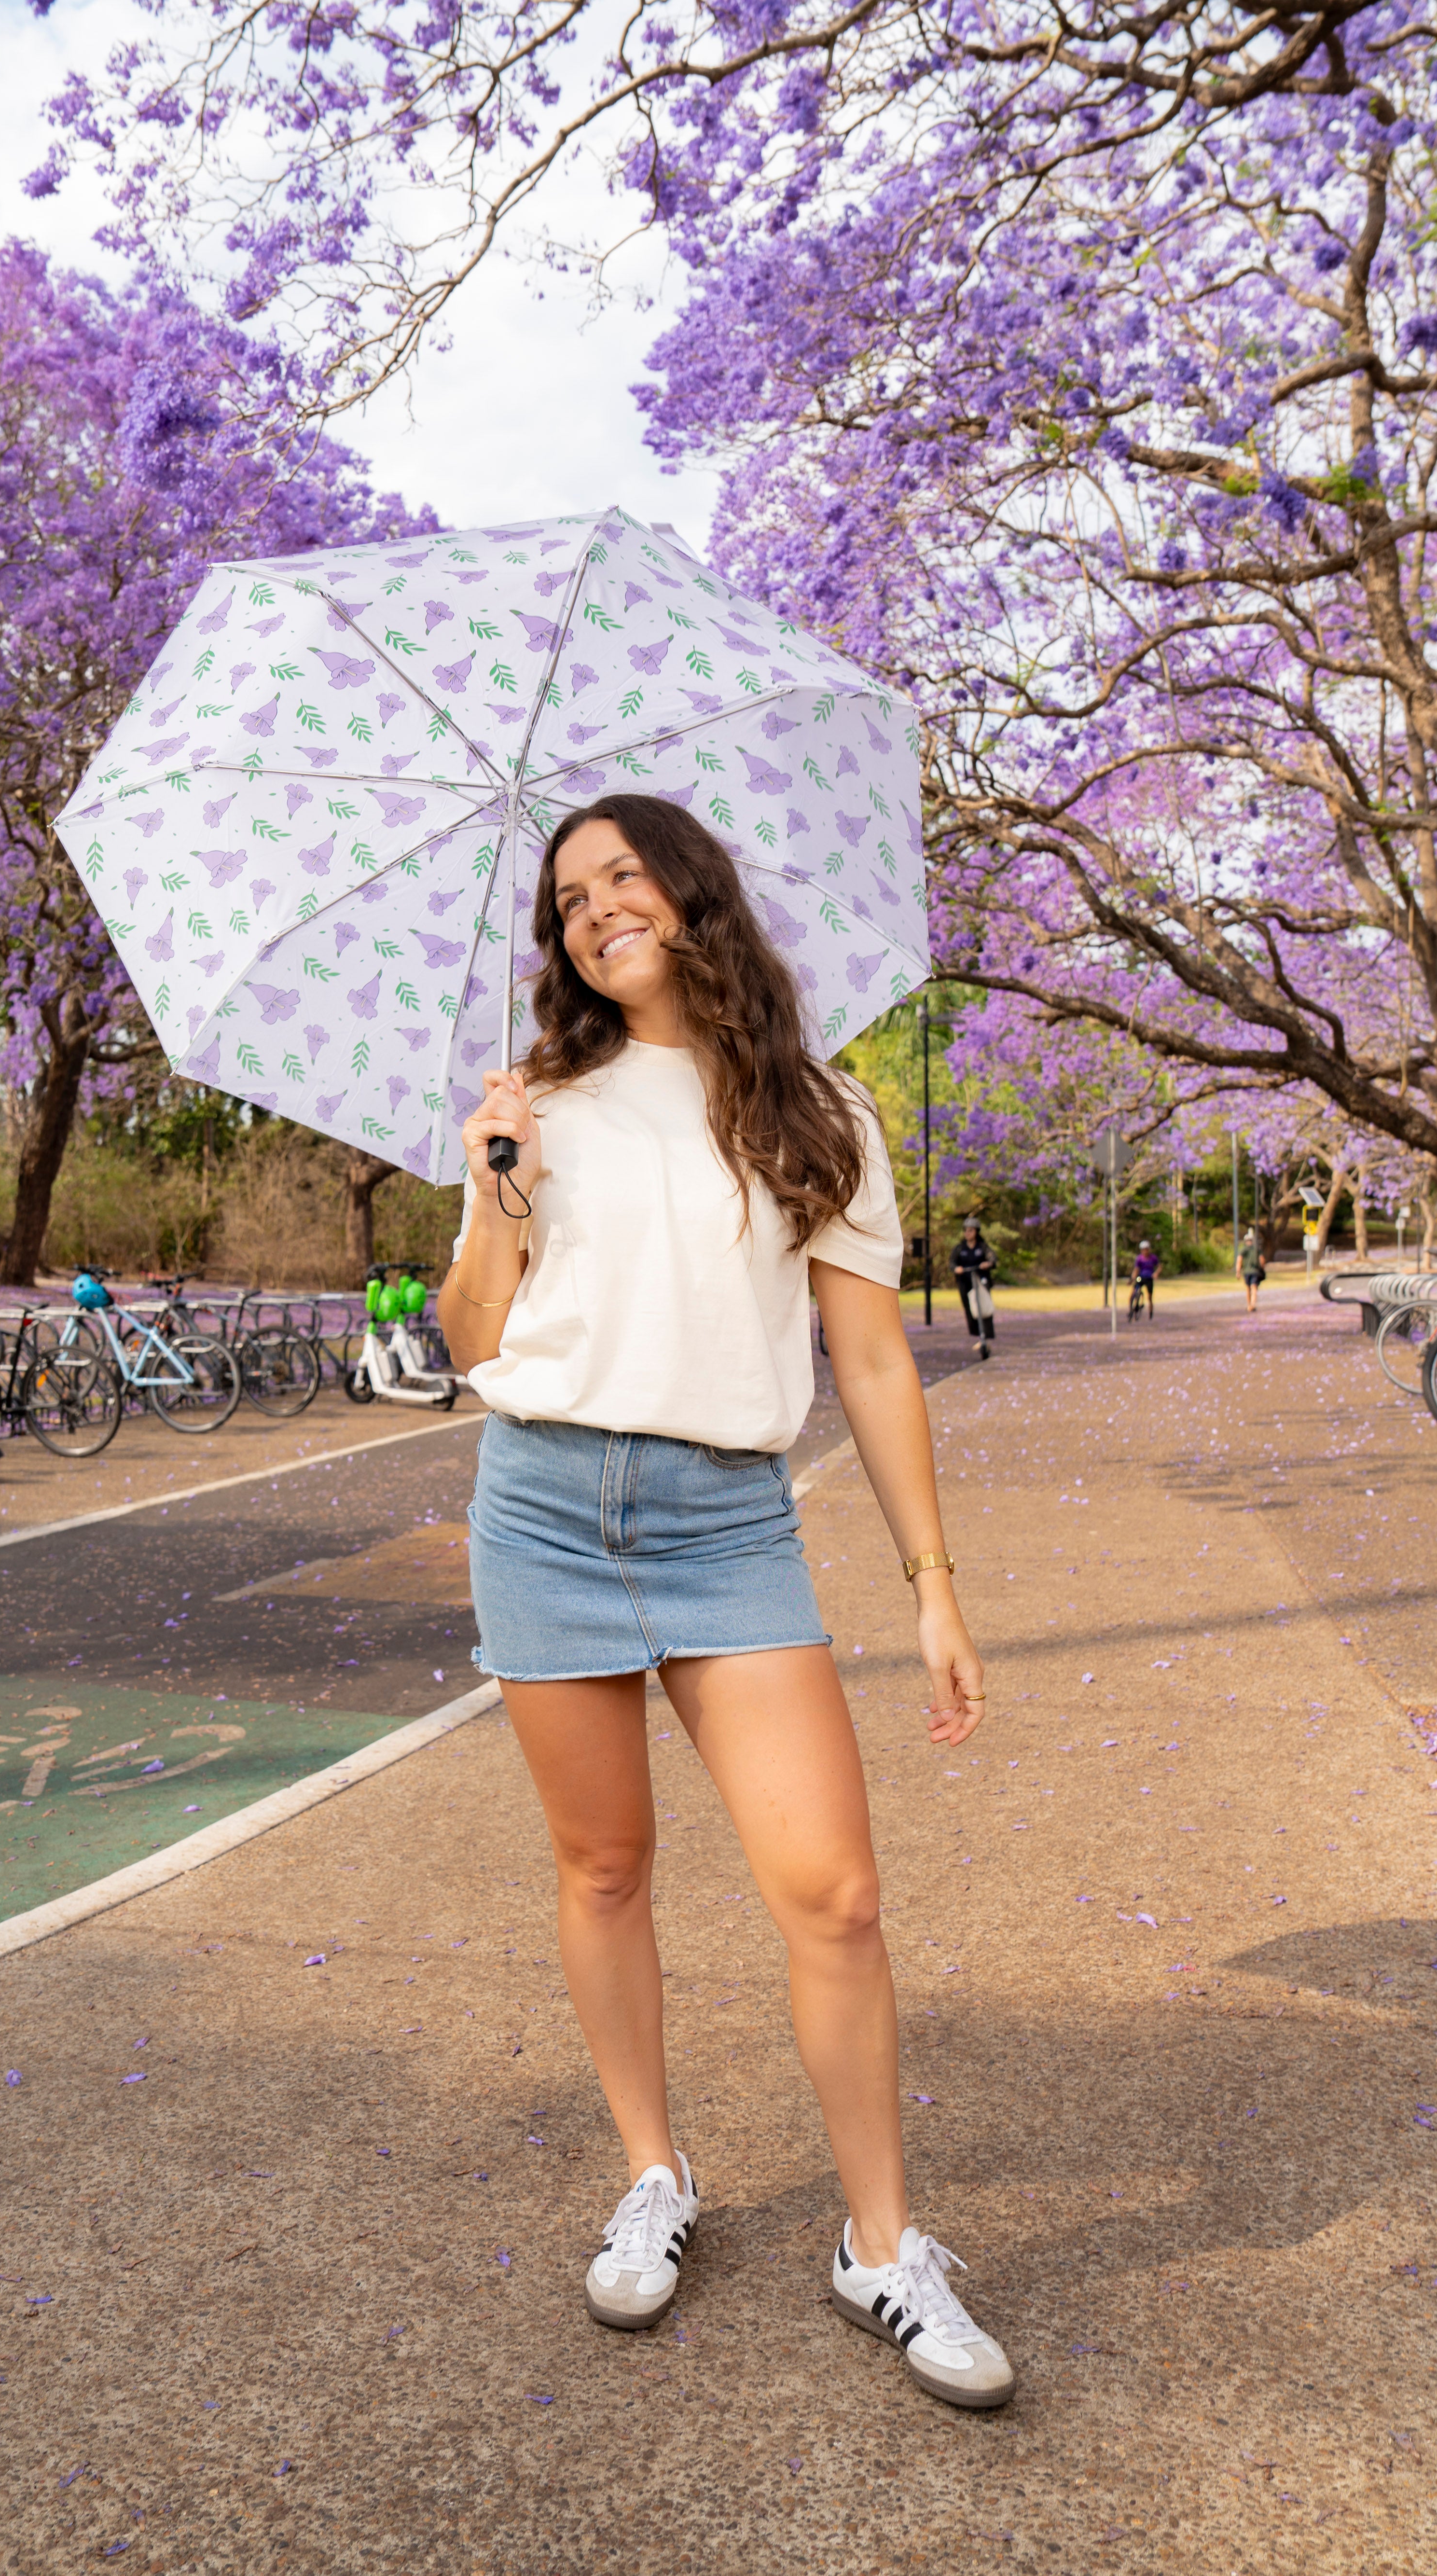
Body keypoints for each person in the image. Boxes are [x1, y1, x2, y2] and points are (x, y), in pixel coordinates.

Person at [437, 793, 1014, 2413]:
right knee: (601, 1863)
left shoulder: (817, 1111)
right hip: (542, 1504)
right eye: (567, 898)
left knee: (832, 1893)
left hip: (723, 1520)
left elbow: (871, 1360)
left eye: (621, 875)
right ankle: (652, 2170)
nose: (593, 910)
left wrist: (931, 1585)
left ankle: (881, 2246)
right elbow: (472, 1341)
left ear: (692, 890)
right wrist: (496, 1189)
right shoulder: (534, 1104)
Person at [951, 1217, 996, 1358]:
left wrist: (988, 1264)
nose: (967, 1233)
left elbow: (992, 1258)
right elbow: (952, 1263)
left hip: (981, 1281)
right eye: (966, 1231)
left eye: (970, 1231)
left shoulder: (982, 1247)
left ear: (976, 1232)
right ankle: (978, 1335)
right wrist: (957, 1269)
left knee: (985, 1308)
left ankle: (985, 1337)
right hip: (966, 1283)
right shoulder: (960, 1248)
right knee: (970, 1310)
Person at [1236, 1224, 1265, 1314]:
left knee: (1248, 1288)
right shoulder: (1257, 1249)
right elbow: (1262, 1260)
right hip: (1255, 1271)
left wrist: (1238, 1272)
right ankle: (1253, 1304)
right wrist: (1262, 1268)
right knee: (1254, 1288)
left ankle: (1249, 1305)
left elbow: (1239, 1261)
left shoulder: (1243, 1250)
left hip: (1247, 1272)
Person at [1132, 1238, 1161, 1317]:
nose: (1145, 1252)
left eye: (1147, 1250)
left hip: (1149, 1278)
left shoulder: (1153, 1258)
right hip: (1141, 1277)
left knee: (1150, 1297)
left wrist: (1156, 1274)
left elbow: (1160, 1267)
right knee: (1135, 1289)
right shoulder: (1139, 1259)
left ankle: (1151, 1312)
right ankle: (1133, 1305)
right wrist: (1133, 1277)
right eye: (1143, 1250)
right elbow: (1137, 1269)